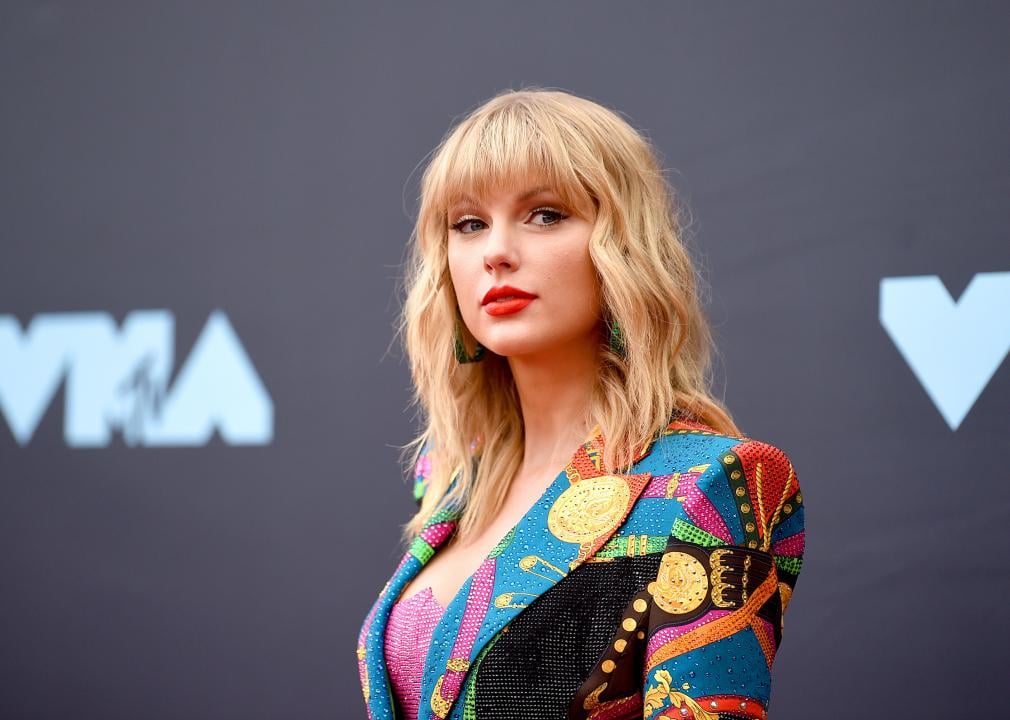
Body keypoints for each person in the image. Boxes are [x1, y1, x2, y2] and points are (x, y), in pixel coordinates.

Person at [356, 87, 806, 720]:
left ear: (623, 245)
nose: (496, 252)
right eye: (469, 223)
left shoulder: (712, 486)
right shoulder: (452, 478)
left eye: (545, 214)